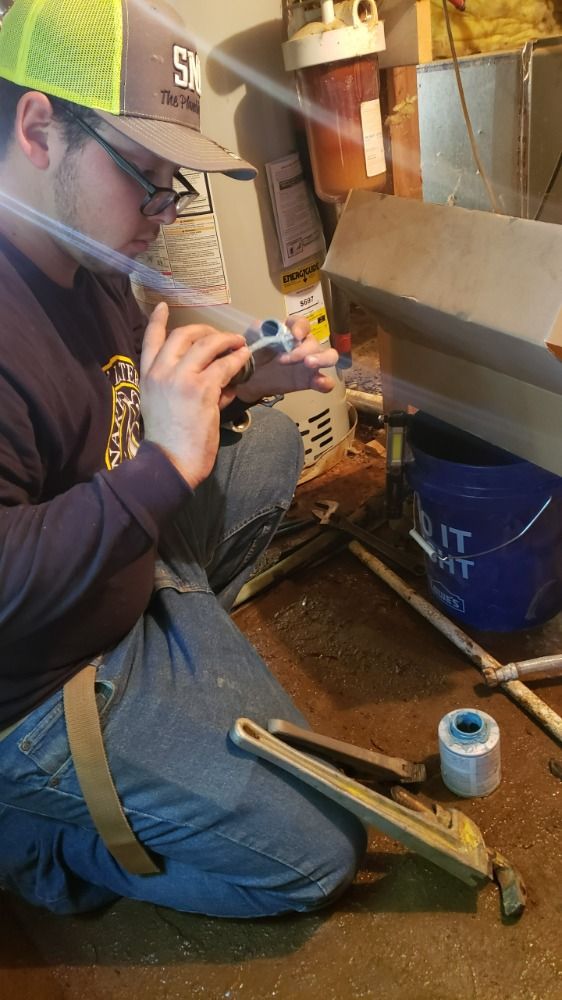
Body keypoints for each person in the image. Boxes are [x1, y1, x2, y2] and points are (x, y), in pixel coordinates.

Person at [0, 0, 366, 917]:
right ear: (39, 130)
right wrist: (166, 465)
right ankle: (31, 835)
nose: (162, 214)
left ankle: (172, 637)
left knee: (267, 444)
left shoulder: (84, 252)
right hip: (34, 677)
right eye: (147, 179)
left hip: (106, 571)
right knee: (319, 852)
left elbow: (115, 407)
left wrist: (238, 386)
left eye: (175, 186)